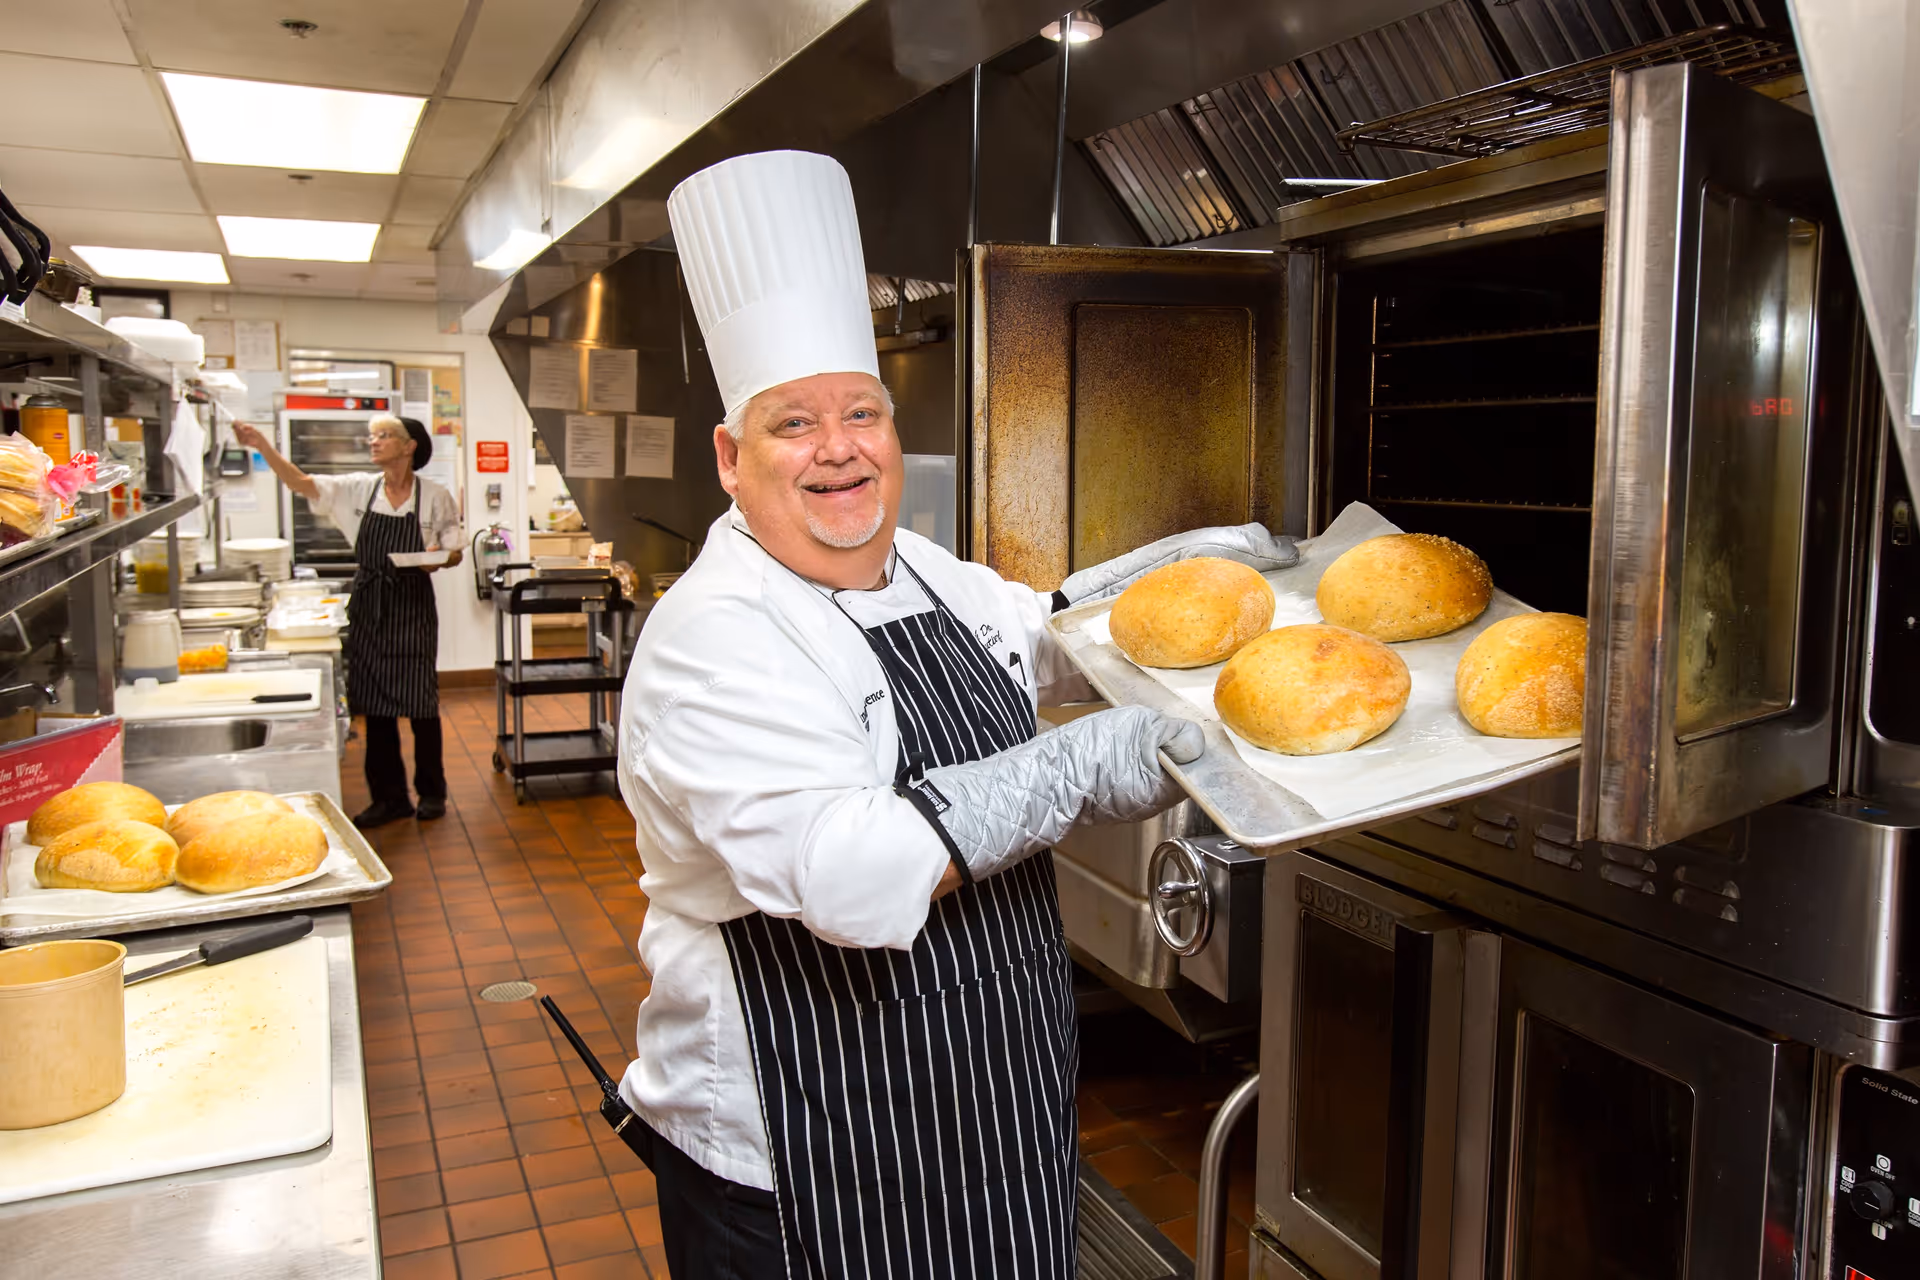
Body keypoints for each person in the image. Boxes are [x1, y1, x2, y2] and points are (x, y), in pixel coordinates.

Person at [611, 150, 1294, 1279]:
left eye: (861, 412)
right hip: (814, 1153)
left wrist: (1162, 575)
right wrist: (1077, 766)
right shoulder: (712, 638)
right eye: (793, 424)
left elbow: (1037, 628)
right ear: (731, 457)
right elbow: (846, 869)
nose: (838, 448)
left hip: (997, 1110)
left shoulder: (917, 563)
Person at [233, 414, 463, 828]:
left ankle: (432, 793)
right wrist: (261, 446)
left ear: (409, 446)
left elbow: (453, 550)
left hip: (413, 605)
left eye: (384, 436)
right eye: (372, 436)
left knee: (422, 703)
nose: (374, 442)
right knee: (375, 707)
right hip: (370, 603)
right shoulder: (357, 489)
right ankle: (390, 798)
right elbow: (300, 482)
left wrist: (438, 558)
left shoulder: (435, 496)